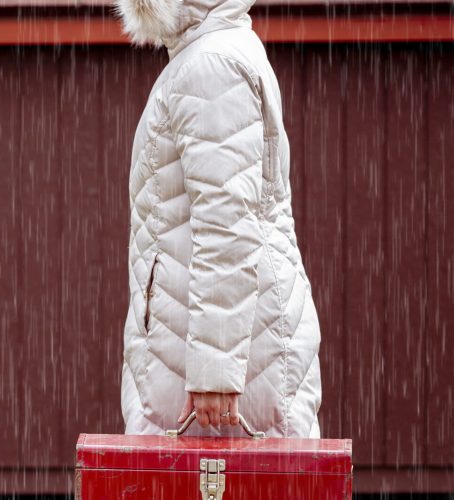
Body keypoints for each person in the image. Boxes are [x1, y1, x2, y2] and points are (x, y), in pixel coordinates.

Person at [114, 0, 322, 437]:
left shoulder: (211, 67)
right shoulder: (207, 56)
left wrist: (214, 370)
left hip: (222, 376)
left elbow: (226, 221)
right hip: (215, 351)